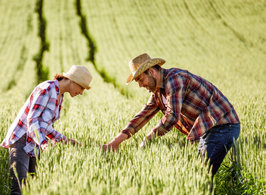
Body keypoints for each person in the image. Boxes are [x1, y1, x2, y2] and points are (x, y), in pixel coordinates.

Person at [103, 53, 240, 176]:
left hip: (223, 126)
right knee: (197, 173)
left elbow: (172, 116)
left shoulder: (175, 80)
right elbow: (142, 116)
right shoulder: (158, 92)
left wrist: (149, 138)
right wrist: (115, 142)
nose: (140, 85)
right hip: (207, 129)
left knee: (199, 175)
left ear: (151, 72)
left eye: (140, 79)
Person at [1, 65, 92, 195]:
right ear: (73, 81)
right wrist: (43, 143)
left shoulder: (59, 96)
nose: (81, 92)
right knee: (19, 188)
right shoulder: (47, 89)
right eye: (81, 88)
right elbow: (32, 120)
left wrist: (65, 140)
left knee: (32, 187)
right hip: (21, 140)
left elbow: (45, 126)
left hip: (33, 143)